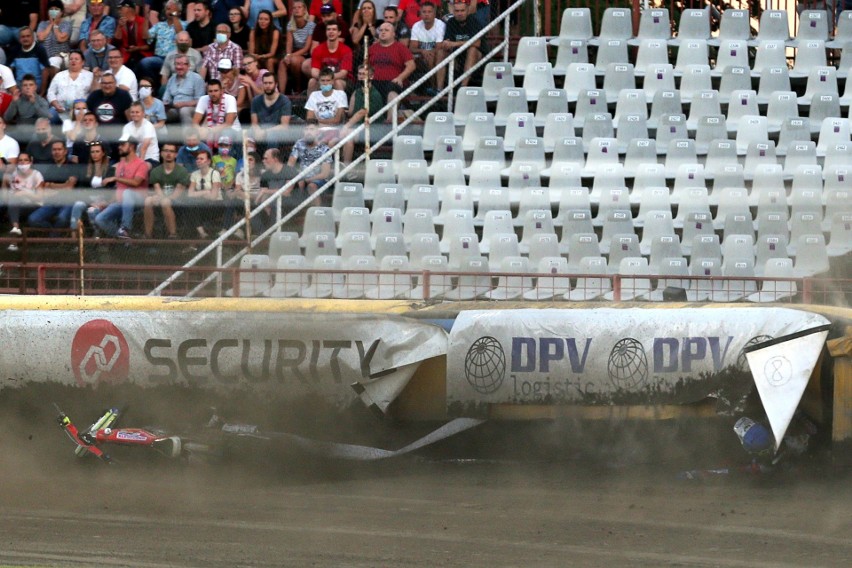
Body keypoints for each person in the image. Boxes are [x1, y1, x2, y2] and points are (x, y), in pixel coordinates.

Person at [94, 134, 148, 238]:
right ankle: (123, 238)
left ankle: (126, 227)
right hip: (122, 202)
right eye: (119, 144)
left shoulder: (141, 164)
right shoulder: (121, 164)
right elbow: (119, 188)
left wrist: (115, 178)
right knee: (99, 218)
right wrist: (108, 203)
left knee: (128, 193)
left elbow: (136, 183)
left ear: (131, 146)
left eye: (123, 144)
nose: (119, 147)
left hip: (138, 201)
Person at [28, 139, 79, 233]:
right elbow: (44, 186)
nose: (56, 152)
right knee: (33, 219)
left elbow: (69, 188)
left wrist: (51, 185)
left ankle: (53, 240)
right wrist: (63, 185)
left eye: (59, 149)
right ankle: (54, 234)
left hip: (68, 201)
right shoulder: (50, 168)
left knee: (62, 218)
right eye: (54, 150)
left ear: (65, 151)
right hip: (52, 201)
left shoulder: (73, 166)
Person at [368, 22, 415, 121]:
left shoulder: (400, 47)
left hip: (393, 82)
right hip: (374, 81)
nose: (383, 32)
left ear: (393, 34)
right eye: (381, 30)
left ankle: (389, 121)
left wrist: (400, 78)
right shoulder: (372, 49)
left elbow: (411, 65)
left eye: (386, 30)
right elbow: (366, 66)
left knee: (392, 90)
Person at [68, 139, 114, 236]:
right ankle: (74, 237)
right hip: (89, 199)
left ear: (103, 153)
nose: (95, 154)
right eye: (92, 152)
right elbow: (81, 188)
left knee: (91, 211)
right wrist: (90, 201)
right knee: (78, 204)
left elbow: (112, 190)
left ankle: (98, 237)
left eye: (97, 151)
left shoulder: (110, 170)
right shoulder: (86, 169)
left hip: (103, 201)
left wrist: (102, 202)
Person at [144, 141, 188, 239]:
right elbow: (157, 189)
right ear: (161, 153)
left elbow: (177, 193)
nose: (168, 154)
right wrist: (157, 197)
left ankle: (173, 234)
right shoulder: (155, 171)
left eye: (171, 151)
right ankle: (148, 234)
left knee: (165, 201)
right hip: (162, 199)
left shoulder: (182, 171)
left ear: (176, 154)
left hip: (179, 202)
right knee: (148, 200)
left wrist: (162, 198)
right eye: (166, 151)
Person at [341, 63, 381, 166]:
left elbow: (361, 113)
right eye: (359, 74)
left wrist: (346, 126)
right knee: (333, 139)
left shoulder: (375, 94)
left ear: (371, 76)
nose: (361, 76)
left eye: (364, 74)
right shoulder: (356, 92)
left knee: (348, 136)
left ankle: (346, 167)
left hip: (372, 129)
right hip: (356, 126)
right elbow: (350, 112)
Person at [436, 1, 482, 90]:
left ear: (467, 10)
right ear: (453, 11)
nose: (460, 13)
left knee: (472, 49)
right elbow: (447, 41)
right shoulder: (451, 22)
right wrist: (446, 44)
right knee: (441, 52)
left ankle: (463, 87)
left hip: (477, 56)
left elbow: (477, 43)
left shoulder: (474, 21)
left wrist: (454, 43)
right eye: (457, 11)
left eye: (462, 10)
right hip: (457, 55)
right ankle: (439, 89)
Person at [137, 0, 184, 87]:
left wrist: (174, 15)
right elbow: (145, 36)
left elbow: (180, 33)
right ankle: (153, 87)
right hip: (159, 58)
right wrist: (146, 18)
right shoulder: (159, 25)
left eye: (173, 9)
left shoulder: (184, 24)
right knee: (144, 63)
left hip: (175, 58)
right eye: (168, 9)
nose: (169, 11)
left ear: (179, 11)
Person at [3, 152, 44, 249]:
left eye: (26, 160)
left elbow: (39, 197)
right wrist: (4, 181)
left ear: (31, 161)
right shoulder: (13, 175)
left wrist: (24, 193)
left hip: (33, 204)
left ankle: (14, 242)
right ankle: (15, 229)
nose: (23, 162)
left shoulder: (36, 175)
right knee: (13, 204)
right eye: (20, 160)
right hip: (16, 205)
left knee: (13, 205)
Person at [287, 119, 331, 202]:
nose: (308, 132)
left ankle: (317, 212)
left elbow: (325, 174)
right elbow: (290, 164)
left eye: (311, 129)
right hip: (302, 176)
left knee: (311, 186)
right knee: (293, 180)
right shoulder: (299, 144)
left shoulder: (325, 149)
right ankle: (295, 208)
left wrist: (308, 179)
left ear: (317, 132)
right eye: (306, 129)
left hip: (318, 179)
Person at [47, 51, 94, 125]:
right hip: (60, 108)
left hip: (81, 109)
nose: (73, 61)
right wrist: (56, 104)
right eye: (71, 59)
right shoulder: (59, 75)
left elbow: (94, 93)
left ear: (83, 62)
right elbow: (51, 92)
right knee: (48, 117)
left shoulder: (90, 76)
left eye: (76, 59)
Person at [278, 0, 315, 94]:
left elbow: (307, 48)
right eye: (294, 8)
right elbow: (289, 43)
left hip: (305, 54)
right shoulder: (290, 25)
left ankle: (298, 88)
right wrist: (288, 55)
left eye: (299, 7)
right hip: (294, 52)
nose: (296, 9)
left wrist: (291, 56)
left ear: (304, 10)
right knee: (282, 63)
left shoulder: (311, 25)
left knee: (294, 61)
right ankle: (281, 94)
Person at [221, 148, 260, 236]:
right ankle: (226, 229)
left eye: (251, 160)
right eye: (246, 160)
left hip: (257, 202)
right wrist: (241, 193)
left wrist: (240, 193)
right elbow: (237, 192)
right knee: (232, 202)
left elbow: (257, 196)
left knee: (251, 206)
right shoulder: (240, 175)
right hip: (243, 202)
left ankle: (257, 233)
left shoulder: (261, 175)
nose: (248, 162)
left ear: (256, 162)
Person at [305, 66, 347, 146]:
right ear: (319, 82)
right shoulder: (314, 95)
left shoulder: (340, 95)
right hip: (317, 131)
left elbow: (337, 120)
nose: (325, 83)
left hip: (335, 130)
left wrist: (318, 120)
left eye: (328, 80)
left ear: (333, 81)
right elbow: (310, 119)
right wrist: (328, 122)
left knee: (327, 142)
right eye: (323, 81)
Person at [307, 21, 352, 94]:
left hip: (342, 80)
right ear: (325, 32)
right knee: (312, 81)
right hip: (323, 79)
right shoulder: (318, 49)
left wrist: (328, 79)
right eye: (328, 29)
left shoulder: (346, 50)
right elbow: (314, 71)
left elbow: (343, 73)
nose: (331, 32)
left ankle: (341, 105)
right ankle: (310, 105)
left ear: (339, 33)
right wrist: (325, 80)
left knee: (337, 82)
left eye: (334, 29)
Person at [185, 148, 221, 239]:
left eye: (201, 159)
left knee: (191, 211)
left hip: (215, 205)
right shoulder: (194, 174)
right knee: (190, 206)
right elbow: (189, 194)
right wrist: (205, 192)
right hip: (200, 204)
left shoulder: (214, 173)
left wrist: (197, 194)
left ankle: (196, 239)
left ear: (208, 161)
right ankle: (202, 233)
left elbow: (213, 196)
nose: (198, 161)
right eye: (197, 159)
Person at [249, 71, 291, 150]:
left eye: (270, 83)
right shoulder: (256, 100)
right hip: (261, 131)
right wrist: (257, 130)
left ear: (276, 84)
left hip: (278, 133)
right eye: (265, 83)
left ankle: (271, 160)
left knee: (272, 135)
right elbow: (254, 123)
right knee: (249, 133)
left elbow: (284, 126)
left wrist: (265, 132)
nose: (267, 86)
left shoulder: (284, 100)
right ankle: (251, 159)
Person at [409, 1, 444, 92]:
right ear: (420, 14)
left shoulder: (440, 25)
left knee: (431, 57)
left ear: (434, 13)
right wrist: (422, 51)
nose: (426, 14)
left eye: (429, 12)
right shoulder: (416, 26)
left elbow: (439, 47)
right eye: (424, 12)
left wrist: (427, 52)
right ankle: (412, 89)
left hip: (436, 55)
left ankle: (435, 88)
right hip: (421, 55)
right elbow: (412, 48)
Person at [193, 78, 239, 145]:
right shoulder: (203, 99)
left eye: (216, 91)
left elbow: (228, 124)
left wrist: (209, 131)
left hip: (231, 129)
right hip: (210, 129)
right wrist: (200, 130)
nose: (213, 94)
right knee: (195, 133)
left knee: (225, 133)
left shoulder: (230, 99)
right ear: (207, 92)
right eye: (210, 91)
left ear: (221, 91)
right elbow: (194, 122)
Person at [162, 53, 206, 124]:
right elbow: (166, 99)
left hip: (193, 109)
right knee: (161, 114)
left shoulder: (197, 78)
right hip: (175, 109)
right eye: (177, 64)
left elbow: (201, 101)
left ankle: (189, 135)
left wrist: (184, 104)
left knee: (184, 110)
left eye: (182, 64)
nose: (179, 67)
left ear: (188, 66)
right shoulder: (171, 79)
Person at [7, 27, 51, 93]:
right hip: (19, 84)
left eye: (28, 36)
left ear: (33, 37)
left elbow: (45, 72)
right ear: (19, 39)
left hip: (35, 84)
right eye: (23, 37)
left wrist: (42, 93)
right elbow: (8, 70)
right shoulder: (15, 50)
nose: (25, 39)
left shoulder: (40, 49)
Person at [37, 1, 73, 75]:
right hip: (44, 56)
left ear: (61, 12)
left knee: (54, 61)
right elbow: (40, 38)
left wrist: (55, 25)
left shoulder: (66, 24)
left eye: (56, 9)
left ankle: (53, 84)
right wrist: (51, 24)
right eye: (51, 9)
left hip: (61, 56)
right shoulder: (42, 24)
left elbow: (60, 39)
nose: (53, 11)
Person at [121, 101, 160, 166]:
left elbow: (144, 148)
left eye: (137, 112)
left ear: (143, 113)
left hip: (150, 158)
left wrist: (139, 166)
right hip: (132, 159)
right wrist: (122, 165)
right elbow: (124, 147)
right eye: (132, 112)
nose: (134, 114)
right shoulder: (126, 127)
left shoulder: (149, 126)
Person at [249, 10, 281, 74]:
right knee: (250, 61)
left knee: (269, 61)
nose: (262, 22)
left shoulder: (275, 32)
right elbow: (251, 51)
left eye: (266, 19)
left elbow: (272, 53)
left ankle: (271, 80)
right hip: (258, 55)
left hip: (275, 56)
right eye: (260, 19)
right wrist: (254, 56)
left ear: (270, 21)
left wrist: (261, 56)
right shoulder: (253, 31)